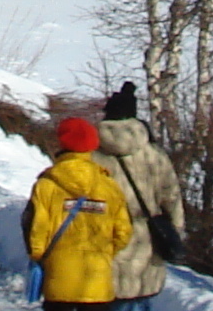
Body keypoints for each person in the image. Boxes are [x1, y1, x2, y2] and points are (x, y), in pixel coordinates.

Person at [18, 114, 133, 307]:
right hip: (97, 282)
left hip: (59, 280)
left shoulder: (47, 184)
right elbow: (123, 232)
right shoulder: (109, 186)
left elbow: (36, 229)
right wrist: (104, 252)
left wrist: (41, 257)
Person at [90, 83, 186, 308]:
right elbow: (172, 198)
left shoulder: (91, 156)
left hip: (105, 243)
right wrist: (175, 231)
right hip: (146, 246)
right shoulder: (155, 155)